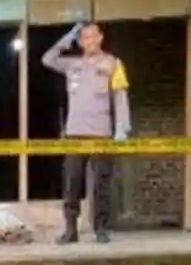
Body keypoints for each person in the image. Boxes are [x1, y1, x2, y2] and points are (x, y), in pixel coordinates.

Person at [41, 21, 132, 244]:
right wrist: (67, 38)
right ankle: (71, 229)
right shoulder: (72, 64)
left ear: (101, 38)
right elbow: (48, 59)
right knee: (72, 181)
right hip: (75, 132)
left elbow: (120, 97)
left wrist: (122, 128)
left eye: (93, 36)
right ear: (80, 42)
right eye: (85, 38)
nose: (90, 41)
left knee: (102, 182)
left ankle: (100, 228)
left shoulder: (112, 63)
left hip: (102, 132)